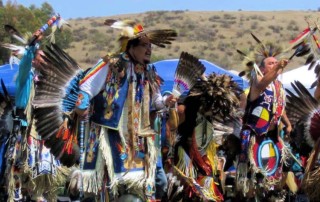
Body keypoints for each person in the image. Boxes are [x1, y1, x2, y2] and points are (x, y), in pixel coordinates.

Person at [74, 19, 177, 201]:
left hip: (138, 137)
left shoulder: (149, 72)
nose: (149, 49)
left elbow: (156, 102)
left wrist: (166, 101)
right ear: (131, 46)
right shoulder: (113, 64)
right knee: (108, 187)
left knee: (138, 187)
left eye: (150, 46)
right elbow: (88, 84)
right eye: (144, 45)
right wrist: (81, 106)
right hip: (111, 133)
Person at [236, 38, 292, 199]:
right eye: (270, 63)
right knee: (253, 177)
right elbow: (261, 86)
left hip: (273, 137)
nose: (275, 65)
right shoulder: (256, 83)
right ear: (261, 68)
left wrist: (287, 124)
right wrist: (279, 69)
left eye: (276, 62)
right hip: (255, 136)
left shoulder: (278, 87)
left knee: (272, 174)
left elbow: (279, 108)